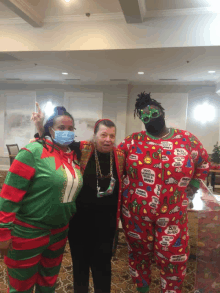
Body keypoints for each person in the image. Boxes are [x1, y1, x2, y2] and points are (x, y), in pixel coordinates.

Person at [118, 92, 210, 293]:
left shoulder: (187, 140)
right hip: (136, 213)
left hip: (173, 213)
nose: (150, 117)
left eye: (154, 112)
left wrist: (192, 186)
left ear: (162, 112)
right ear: (141, 119)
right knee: (138, 254)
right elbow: (114, 166)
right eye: (144, 115)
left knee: (173, 256)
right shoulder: (131, 142)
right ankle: (142, 289)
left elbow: (203, 162)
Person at [32, 104, 126, 293]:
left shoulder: (121, 156)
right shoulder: (82, 148)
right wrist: (41, 127)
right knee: (80, 267)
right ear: (95, 135)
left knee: (103, 268)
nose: (108, 140)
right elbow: (53, 144)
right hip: (79, 223)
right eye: (103, 135)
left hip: (106, 225)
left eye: (112, 136)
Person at [0, 107, 83, 293]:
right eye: (61, 127)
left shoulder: (73, 158)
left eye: (71, 128)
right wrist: (3, 232)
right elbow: (9, 195)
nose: (67, 132)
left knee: (48, 283)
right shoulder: (32, 152)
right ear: (50, 129)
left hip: (59, 233)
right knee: (21, 286)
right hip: (28, 233)